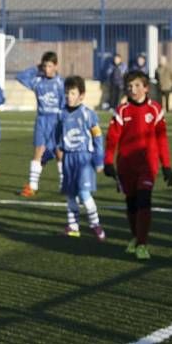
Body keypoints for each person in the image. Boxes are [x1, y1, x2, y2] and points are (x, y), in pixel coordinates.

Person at [104, 70, 172, 260]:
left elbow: (162, 139)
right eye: (129, 86)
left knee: (144, 201)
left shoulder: (155, 109)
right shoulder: (122, 111)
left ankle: (142, 244)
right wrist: (108, 161)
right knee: (131, 204)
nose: (133, 89)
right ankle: (136, 237)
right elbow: (112, 138)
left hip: (147, 164)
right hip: (126, 164)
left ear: (146, 88)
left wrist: (166, 166)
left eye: (137, 85)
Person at [56, 76, 105, 241]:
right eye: (67, 93)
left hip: (84, 158)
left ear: (81, 96)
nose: (69, 96)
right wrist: (56, 149)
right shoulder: (61, 114)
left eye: (72, 93)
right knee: (70, 194)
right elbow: (57, 136)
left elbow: (98, 137)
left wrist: (99, 160)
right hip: (68, 158)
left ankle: (95, 224)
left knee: (84, 194)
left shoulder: (88, 114)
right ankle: (73, 226)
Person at [16, 51, 65, 197]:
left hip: (56, 120)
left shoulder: (60, 83)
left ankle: (64, 184)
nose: (47, 69)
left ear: (56, 66)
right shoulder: (38, 81)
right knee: (38, 151)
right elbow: (20, 77)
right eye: (45, 66)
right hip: (42, 120)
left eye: (50, 66)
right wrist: (36, 68)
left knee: (59, 153)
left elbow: (64, 104)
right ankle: (32, 186)